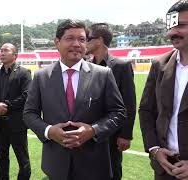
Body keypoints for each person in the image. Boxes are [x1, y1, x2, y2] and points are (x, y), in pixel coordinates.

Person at [23, 19, 126, 180]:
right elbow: (29, 114)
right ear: (57, 42)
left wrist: (93, 130)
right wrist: (49, 131)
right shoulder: (41, 76)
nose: (77, 44)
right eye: (70, 38)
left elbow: (118, 112)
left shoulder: (103, 74)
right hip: (56, 164)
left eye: (82, 39)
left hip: (94, 165)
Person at [139, 1, 188, 179]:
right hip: (165, 168)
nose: (172, 32)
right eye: (170, 26)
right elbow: (146, 110)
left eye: (180, 25)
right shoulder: (159, 64)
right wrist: (155, 149)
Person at [86, 23, 136, 180]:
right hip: (88, 131)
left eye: (88, 38)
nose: (84, 42)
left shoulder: (121, 66)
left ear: (99, 40)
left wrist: (126, 135)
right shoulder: (86, 65)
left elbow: (129, 103)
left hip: (112, 133)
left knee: (112, 171)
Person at [0, 43, 31, 180]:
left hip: (17, 125)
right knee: (2, 158)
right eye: (1, 50)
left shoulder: (24, 73)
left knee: (23, 160)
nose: (2, 53)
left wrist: (6, 106)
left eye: (6, 50)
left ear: (15, 55)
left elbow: (26, 95)